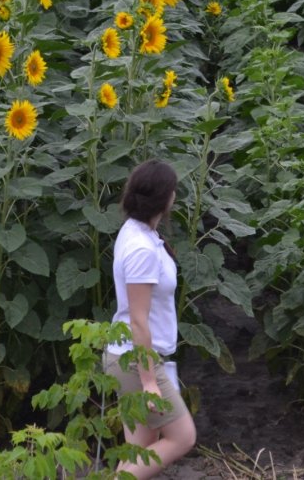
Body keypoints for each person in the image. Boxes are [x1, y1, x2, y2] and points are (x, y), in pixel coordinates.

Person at [102, 159, 197, 478]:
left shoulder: (138, 232)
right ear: (167, 198)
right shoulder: (142, 247)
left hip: (132, 356)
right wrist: (148, 383)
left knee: (138, 453)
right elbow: (138, 320)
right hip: (138, 360)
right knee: (182, 437)